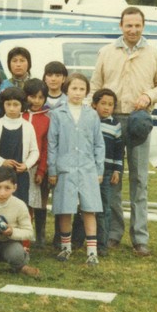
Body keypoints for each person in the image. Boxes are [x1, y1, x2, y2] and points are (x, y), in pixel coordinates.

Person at [89, 6, 157, 257]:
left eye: (137, 25)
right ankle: (113, 232)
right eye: (128, 25)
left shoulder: (154, 53)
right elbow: (95, 85)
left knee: (138, 179)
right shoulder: (106, 52)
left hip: (138, 121)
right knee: (112, 178)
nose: (133, 30)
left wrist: (149, 95)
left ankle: (140, 237)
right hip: (110, 121)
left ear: (143, 26)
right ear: (121, 26)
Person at [48, 73, 105, 265]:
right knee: (65, 208)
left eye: (82, 89)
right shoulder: (57, 114)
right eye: (74, 88)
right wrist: (53, 170)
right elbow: (52, 144)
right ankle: (66, 247)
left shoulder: (92, 114)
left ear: (87, 92)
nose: (78, 93)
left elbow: (98, 143)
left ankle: (91, 251)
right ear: (66, 90)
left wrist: (99, 169)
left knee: (89, 209)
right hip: (65, 168)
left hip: (87, 169)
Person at [0, 87, 39, 206]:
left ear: (22, 106)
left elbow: (35, 151)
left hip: (19, 175)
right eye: (8, 104)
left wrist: (26, 165)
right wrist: (2, 162)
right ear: (3, 105)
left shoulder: (28, 126)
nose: (12, 108)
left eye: (16, 104)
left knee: (18, 206)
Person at [91, 88, 124, 257]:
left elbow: (119, 151)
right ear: (94, 104)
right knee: (85, 207)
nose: (106, 107)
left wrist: (117, 170)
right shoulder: (89, 121)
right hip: (88, 171)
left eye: (110, 105)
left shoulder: (115, 126)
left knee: (104, 207)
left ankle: (102, 245)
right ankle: (77, 239)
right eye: (103, 103)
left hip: (106, 172)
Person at [22, 78, 50, 248]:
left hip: (33, 169)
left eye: (40, 97)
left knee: (31, 205)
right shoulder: (19, 114)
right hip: (17, 168)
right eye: (32, 97)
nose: (36, 101)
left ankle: (27, 239)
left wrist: (41, 170)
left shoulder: (46, 119)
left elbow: (45, 147)